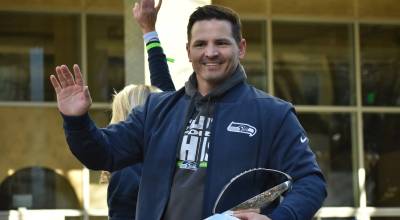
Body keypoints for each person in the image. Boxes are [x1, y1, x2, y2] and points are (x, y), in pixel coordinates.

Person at [49, 1, 327, 219]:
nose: (211, 52)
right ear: (188, 50)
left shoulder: (272, 114)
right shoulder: (157, 109)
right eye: (200, 44)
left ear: (241, 48)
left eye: (221, 43)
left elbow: (310, 182)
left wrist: (278, 218)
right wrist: (76, 120)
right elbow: (102, 153)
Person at [101, 1, 175, 219]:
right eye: (153, 106)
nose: (160, 110)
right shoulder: (128, 172)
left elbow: (167, 95)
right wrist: (148, 30)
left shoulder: (131, 167)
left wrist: (149, 31)